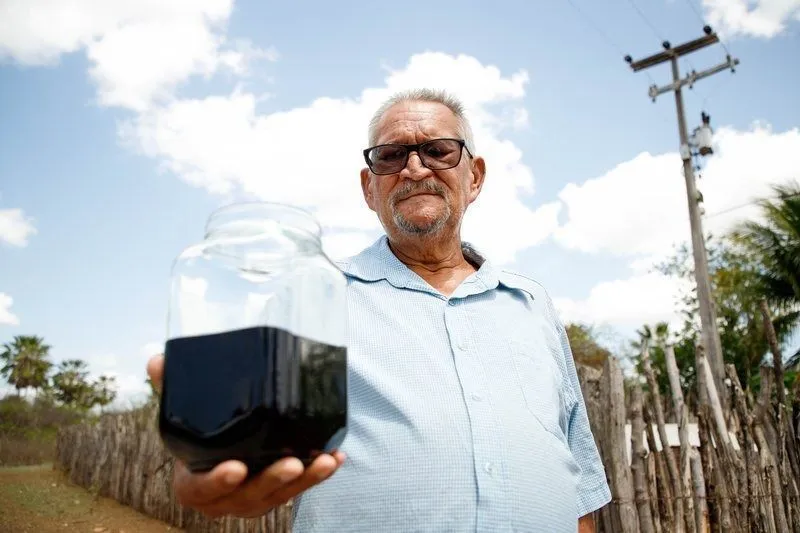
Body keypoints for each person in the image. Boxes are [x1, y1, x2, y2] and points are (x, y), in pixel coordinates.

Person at [146, 88, 611, 532]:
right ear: (369, 188)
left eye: (439, 151)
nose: (414, 168)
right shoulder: (316, 297)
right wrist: (209, 464)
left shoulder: (531, 303)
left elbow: (579, 484)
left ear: (475, 176)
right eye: (390, 156)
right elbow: (250, 427)